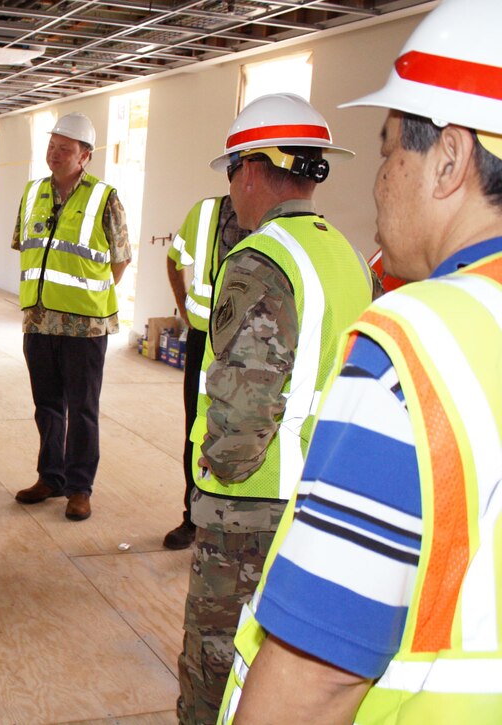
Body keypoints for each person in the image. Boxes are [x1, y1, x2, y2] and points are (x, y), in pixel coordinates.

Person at [220, 2, 502, 722]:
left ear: (449, 159)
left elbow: (316, 680)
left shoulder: (422, 343)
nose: (378, 181)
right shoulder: (352, 257)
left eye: (387, 151)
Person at [176, 93, 375, 725]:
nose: (232, 188)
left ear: (254, 170)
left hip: (252, 508)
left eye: (232, 170)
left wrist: (216, 474)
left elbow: (243, 410)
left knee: (214, 665)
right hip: (319, 495)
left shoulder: (260, 260)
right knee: (281, 663)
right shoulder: (342, 253)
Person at [12, 112, 131, 522]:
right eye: (51, 146)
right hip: (39, 321)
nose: (55, 154)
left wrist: (87, 296)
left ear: (85, 156)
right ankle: (51, 477)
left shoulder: (104, 197)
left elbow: (120, 260)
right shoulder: (32, 193)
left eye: (65, 149)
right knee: (46, 406)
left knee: (82, 409)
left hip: (84, 325)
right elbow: (25, 248)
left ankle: (80, 488)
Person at [162, 196, 246, 550]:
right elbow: (173, 259)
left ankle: (233, 524)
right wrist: (184, 308)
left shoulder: (281, 224)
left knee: (245, 432)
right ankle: (193, 518)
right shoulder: (207, 212)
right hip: (204, 342)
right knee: (198, 428)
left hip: (251, 346)